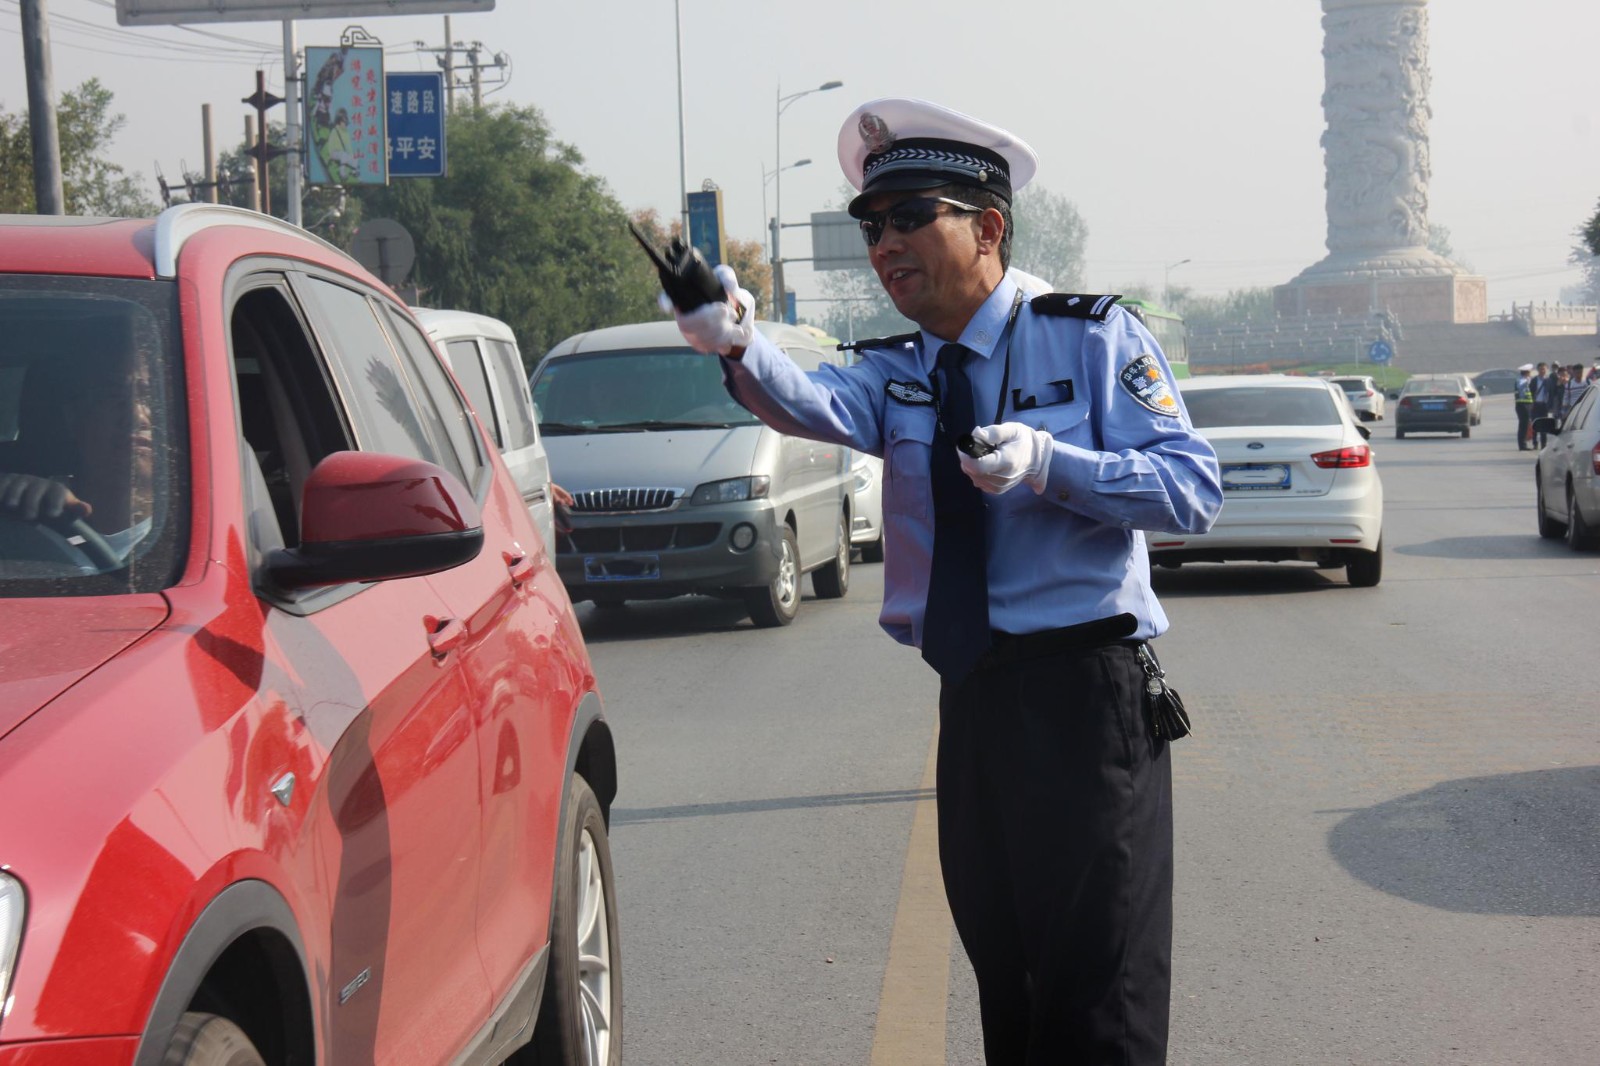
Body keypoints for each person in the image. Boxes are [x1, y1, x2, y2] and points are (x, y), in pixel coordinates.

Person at [671, 97, 1222, 1064]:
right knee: (1006, 982)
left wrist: (1055, 463)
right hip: (973, 697)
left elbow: (1190, 490)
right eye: (871, 226)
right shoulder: (898, 371)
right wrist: (733, 339)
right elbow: (808, 399)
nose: (885, 245)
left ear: (988, 227)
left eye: (910, 216)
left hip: (1087, 695)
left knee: (1101, 999)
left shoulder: (1090, 337)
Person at [1514, 364, 1537, 450]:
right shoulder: (1521, 380)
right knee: (1523, 425)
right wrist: (1528, 381)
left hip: (1526, 404)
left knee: (1525, 424)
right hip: (1522, 405)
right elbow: (1522, 388)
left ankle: (1523, 444)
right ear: (1526, 372)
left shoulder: (1524, 380)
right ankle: (1522, 445)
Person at [1531, 362, 1552, 448]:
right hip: (1535, 405)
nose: (1542, 371)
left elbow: (1551, 393)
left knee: (1544, 426)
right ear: (1537, 370)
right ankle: (1535, 443)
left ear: (1546, 369)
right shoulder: (1534, 380)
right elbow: (1531, 391)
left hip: (1544, 405)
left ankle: (1544, 445)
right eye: (1540, 369)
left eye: (1544, 369)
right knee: (1535, 425)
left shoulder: (1549, 380)